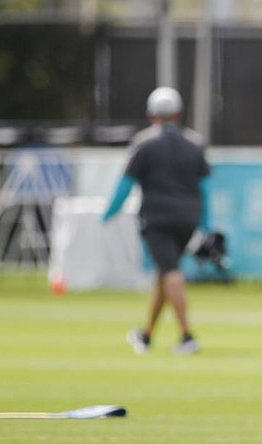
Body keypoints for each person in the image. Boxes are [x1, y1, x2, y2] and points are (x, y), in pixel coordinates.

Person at [101, 86, 211, 354]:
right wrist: (206, 225)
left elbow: (125, 184)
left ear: (151, 115)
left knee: (171, 273)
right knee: (165, 272)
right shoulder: (194, 144)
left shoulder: (144, 144)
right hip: (188, 218)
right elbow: (205, 188)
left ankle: (187, 336)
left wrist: (108, 213)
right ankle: (146, 335)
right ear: (179, 113)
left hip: (157, 219)